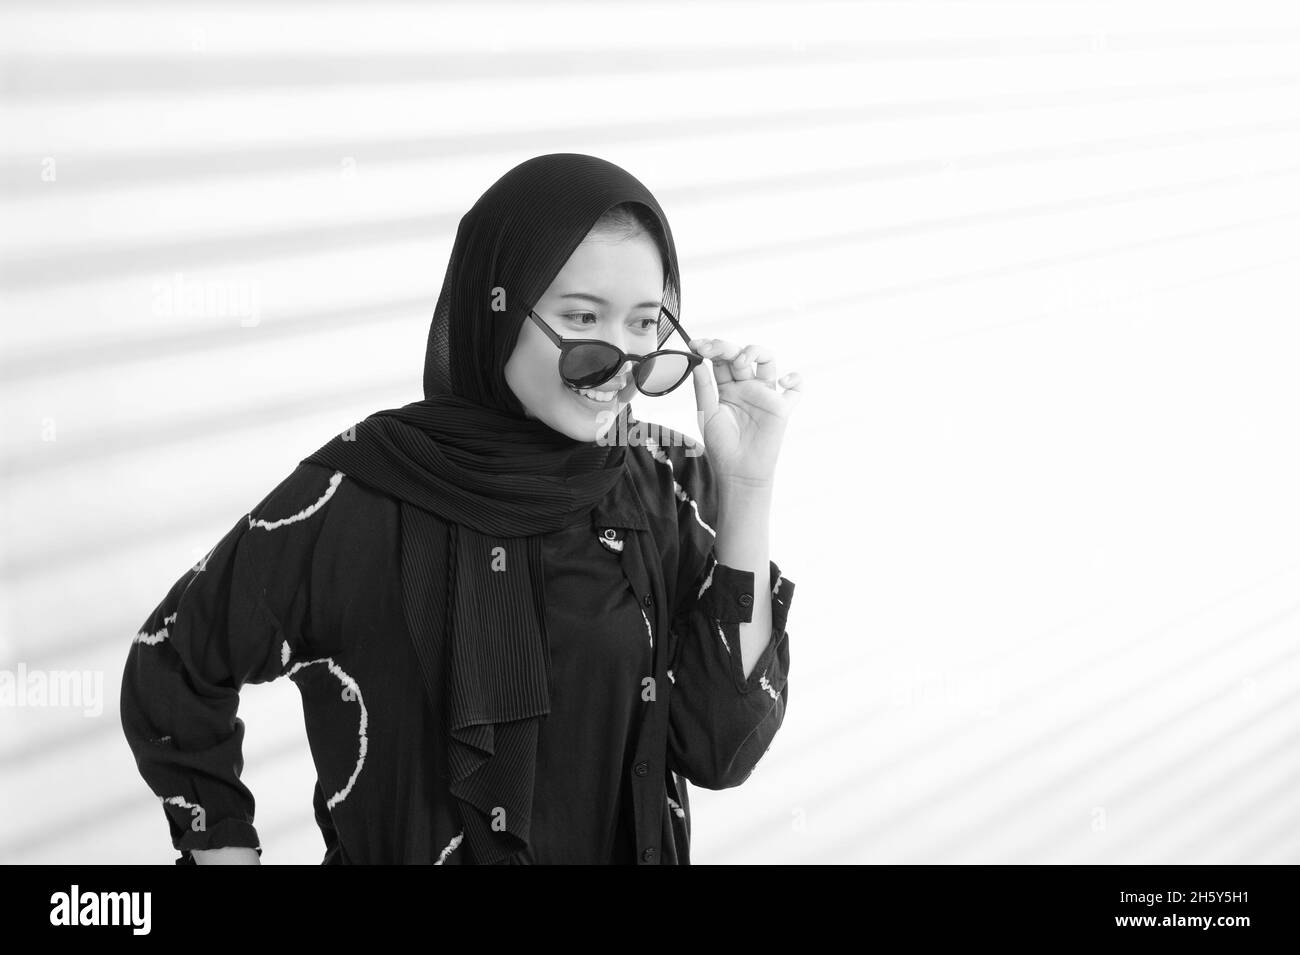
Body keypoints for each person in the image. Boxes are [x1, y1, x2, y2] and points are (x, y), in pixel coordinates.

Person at [120, 153, 803, 864]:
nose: (623, 364)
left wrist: (747, 489)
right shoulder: (364, 489)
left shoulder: (667, 478)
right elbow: (173, 662)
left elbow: (722, 746)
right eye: (582, 317)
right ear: (496, 305)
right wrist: (222, 849)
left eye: (644, 325)